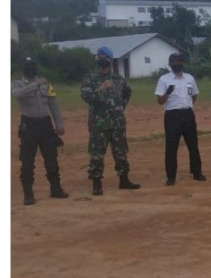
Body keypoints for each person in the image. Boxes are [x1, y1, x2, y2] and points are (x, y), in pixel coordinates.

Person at [80, 46, 140, 195]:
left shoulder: (118, 79)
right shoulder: (91, 78)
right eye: (99, 57)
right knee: (97, 154)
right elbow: (87, 97)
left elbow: (127, 92)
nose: (102, 60)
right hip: (99, 123)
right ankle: (96, 183)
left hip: (117, 122)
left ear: (111, 60)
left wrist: (121, 106)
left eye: (105, 57)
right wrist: (100, 89)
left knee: (121, 152)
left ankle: (124, 179)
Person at [12, 57, 68, 205]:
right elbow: (17, 95)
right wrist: (35, 84)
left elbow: (53, 104)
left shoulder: (46, 83)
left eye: (33, 66)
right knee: (27, 161)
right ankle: (28, 194)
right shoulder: (17, 83)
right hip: (28, 126)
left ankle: (56, 189)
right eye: (28, 66)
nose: (31, 68)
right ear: (23, 68)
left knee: (51, 158)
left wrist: (59, 124)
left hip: (45, 124)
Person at [155, 53, 206, 185]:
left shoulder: (189, 78)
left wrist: (188, 106)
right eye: (174, 61)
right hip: (172, 115)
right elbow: (160, 101)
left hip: (188, 114)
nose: (177, 63)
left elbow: (194, 95)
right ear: (170, 64)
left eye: (179, 61)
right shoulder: (164, 79)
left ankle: (197, 172)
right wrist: (167, 93)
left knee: (193, 144)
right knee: (172, 146)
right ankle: (171, 177)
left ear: (182, 63)